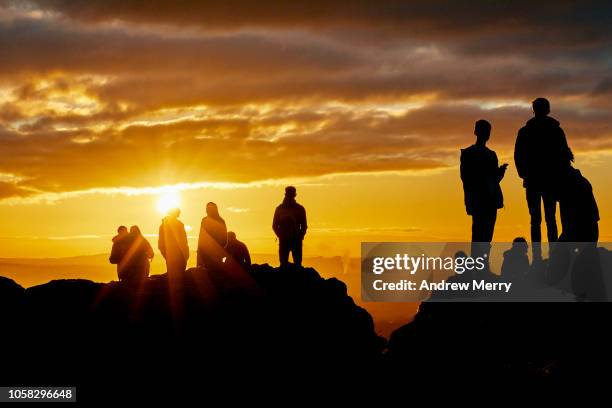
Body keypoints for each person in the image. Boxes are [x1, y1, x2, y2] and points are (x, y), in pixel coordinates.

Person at [514, 97, 574, 260]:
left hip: (536, 181)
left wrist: (525, 174)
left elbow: (518, 157)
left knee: (537, 220)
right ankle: (551, 256)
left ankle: (538, 257)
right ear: (547, 110)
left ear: (534, 110)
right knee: (550, 219)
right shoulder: (555, 131)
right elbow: (565, 156)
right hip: (549, 182)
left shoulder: (525, 132)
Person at [460, 120, 508, 261]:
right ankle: (480, 267)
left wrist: (499, 173)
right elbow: (467, 179)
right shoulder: (475, 154)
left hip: (485, 200)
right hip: (482, 200)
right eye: (485, 131)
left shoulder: (483, 154)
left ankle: (480, 267)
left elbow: (469, 179)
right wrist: (498, 174)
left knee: (483, 236)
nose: (486, 135)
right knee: (482, 236)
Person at [273, 186, 307, 267]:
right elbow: (304, 226)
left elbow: (274, 226)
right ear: (295, 195)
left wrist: (281, 235)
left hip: (286, 240)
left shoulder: (279, 208)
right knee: (297, 265)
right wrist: (300, 236)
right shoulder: (300, 208)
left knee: (284, 265)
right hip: (295, 240)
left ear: (285, 194)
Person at [158, 208, 189, 277]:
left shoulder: (178, 224)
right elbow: (184, 240)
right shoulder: (178, 225)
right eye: (178, 213)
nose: (178, 215)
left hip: (174, 253)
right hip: (173, 253)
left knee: (175, 273)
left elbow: (184, 240)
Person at [197, 202, 227, 269]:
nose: (207, 211)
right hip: (211, 253)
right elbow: (225, 240)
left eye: (208, 209)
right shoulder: (221, 221)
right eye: (207, 209)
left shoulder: (205, 220)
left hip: (210, 253)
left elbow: (201, 237)